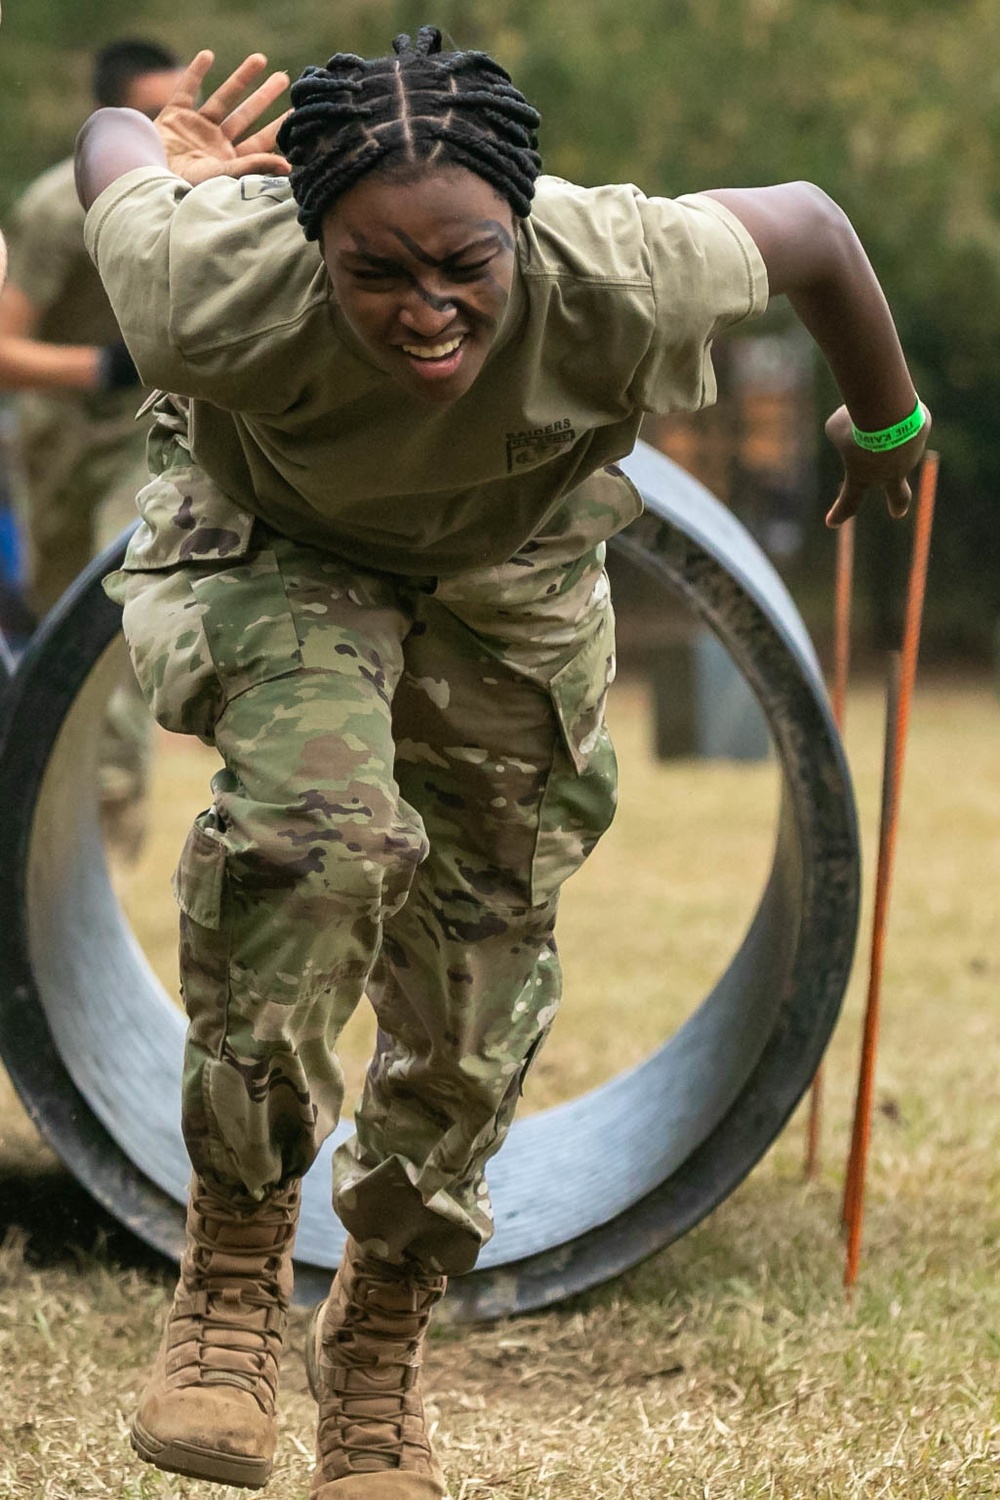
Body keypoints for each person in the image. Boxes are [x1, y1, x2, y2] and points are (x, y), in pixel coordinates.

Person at [75, 30, 930, 1498]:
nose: (428, 312)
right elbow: (107, 146)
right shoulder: (211, 275)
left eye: (467, 264)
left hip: (515, 566)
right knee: (322, 831)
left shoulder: (622, 269)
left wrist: (892, 419)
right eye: (377, 273)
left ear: (524, 227)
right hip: (280, 547)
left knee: (478, 964)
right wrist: (165, 161)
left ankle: (382, 1336)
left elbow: (813, 226)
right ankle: (232, 1255)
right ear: (310, 242)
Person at [0, 37, 182, 847]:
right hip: (58, 439)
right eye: (149, 115)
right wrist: (103, 366)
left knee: (122, 603)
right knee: (58, 626)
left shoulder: (197, 193)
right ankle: (56, 818)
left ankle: (112, 815)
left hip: (145, 440)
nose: (167, 130)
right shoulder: (54, 210)